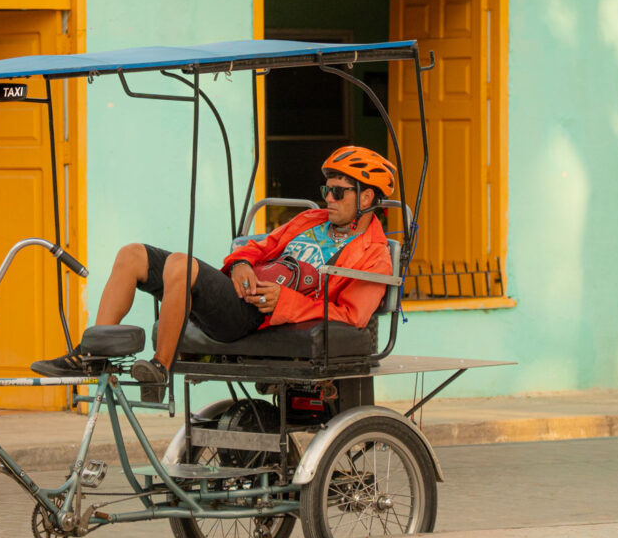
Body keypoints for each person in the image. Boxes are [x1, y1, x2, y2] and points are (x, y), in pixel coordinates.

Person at [31, 145, 397, 389]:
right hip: (241, 291)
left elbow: (350, 316)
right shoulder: (311, 221)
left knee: (179, 264)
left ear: (366, 197)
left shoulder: (374, 255)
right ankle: (92, 357)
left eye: (338, 192)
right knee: (131, 255)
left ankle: (160, 369)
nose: (328, 198)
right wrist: (239, 262)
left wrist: (285, 301)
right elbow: (259, 246)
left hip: (256, 315)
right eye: (326, 189)